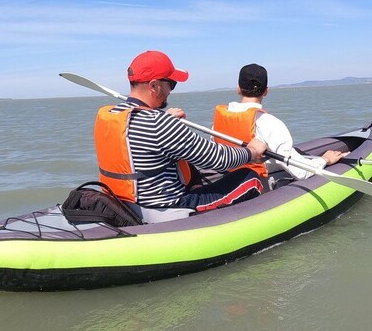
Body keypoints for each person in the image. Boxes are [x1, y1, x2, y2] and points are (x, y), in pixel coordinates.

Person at [93, 50, 268, 213]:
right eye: (171, 84)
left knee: (190, 168)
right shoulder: (160, 124)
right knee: (250, 178)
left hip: (127, 203)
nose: (171, 91)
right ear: (154, 86)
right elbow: (219, 159)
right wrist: (252, 151)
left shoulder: (112, 115)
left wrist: (164, 117)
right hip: (167, 208)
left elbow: (146, 135)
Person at [212, 63, 348, 184]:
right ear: (266, 91)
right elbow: (301, 173)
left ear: (238, 89)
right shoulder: (269, 123)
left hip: (229, 176)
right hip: (253, 184)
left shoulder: (220, 119)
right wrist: (325, 160)